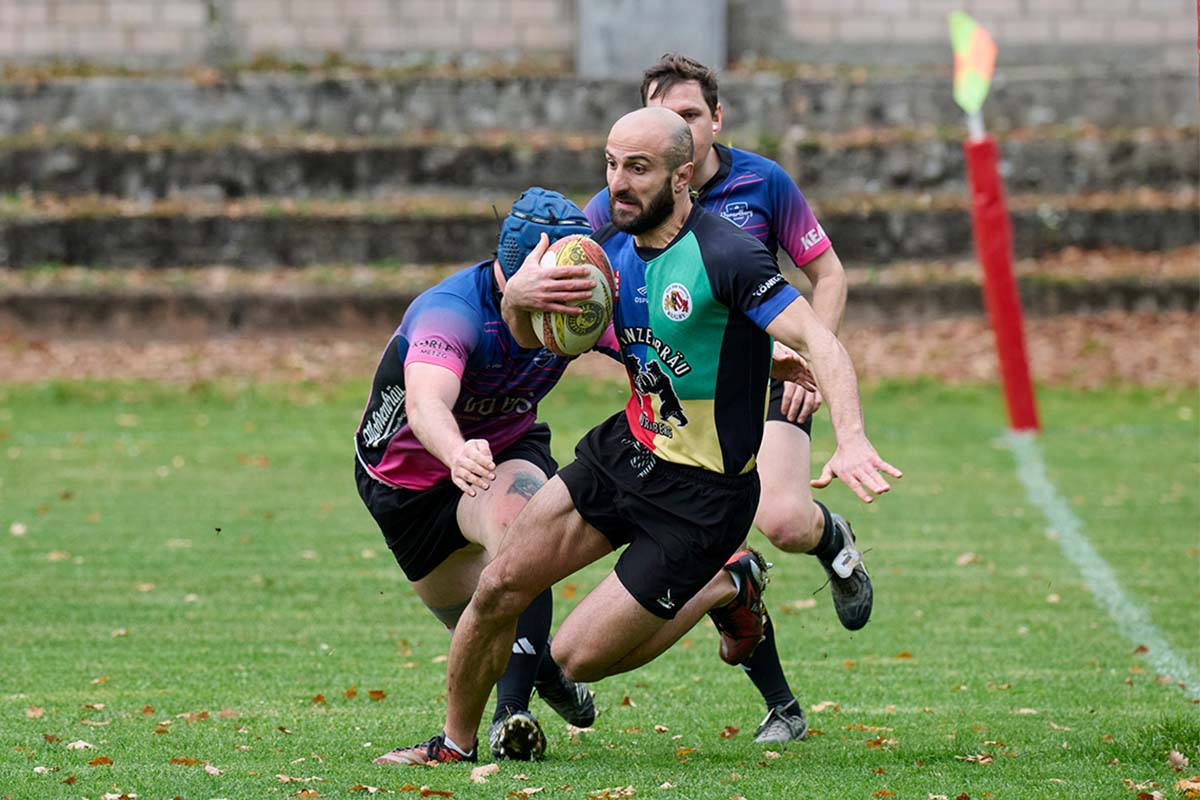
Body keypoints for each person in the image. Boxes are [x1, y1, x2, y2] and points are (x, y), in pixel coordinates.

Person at [375, 106, 900, 766]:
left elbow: (818, 338)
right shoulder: (606, 245)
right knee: (501, 583)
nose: (618, 183)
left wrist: (848, 435)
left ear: (682, 178)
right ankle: (452, 745)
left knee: (574, 658)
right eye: (611, 164)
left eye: (639, 168)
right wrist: (519, 298)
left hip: (702, 496)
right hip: (625, 452)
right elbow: (520, 312)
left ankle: (725, 584)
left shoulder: (725, 254)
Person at [584, 54, 863, 743]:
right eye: (664, 115)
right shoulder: (623, 197)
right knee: (712, 545)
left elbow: (826, 272)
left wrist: (805, 353)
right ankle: (784, 707)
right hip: (680, 401)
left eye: (690, 115)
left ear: (716, 119)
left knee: (788, 522)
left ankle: (833, 541)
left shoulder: (763, 183)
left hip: (762, 377)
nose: (679, 126)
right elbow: (579, 276)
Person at [354, 187, 609, 764]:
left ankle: (499, 721)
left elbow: (662, 346)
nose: (563, 313)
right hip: (406, 484)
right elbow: (424, 405)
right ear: (511, 278)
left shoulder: (577, 302)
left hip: (504, 453)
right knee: (476, 626)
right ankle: (544, 672)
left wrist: (772, 365)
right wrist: (454, 451)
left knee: (525, 535)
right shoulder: (454, 311)